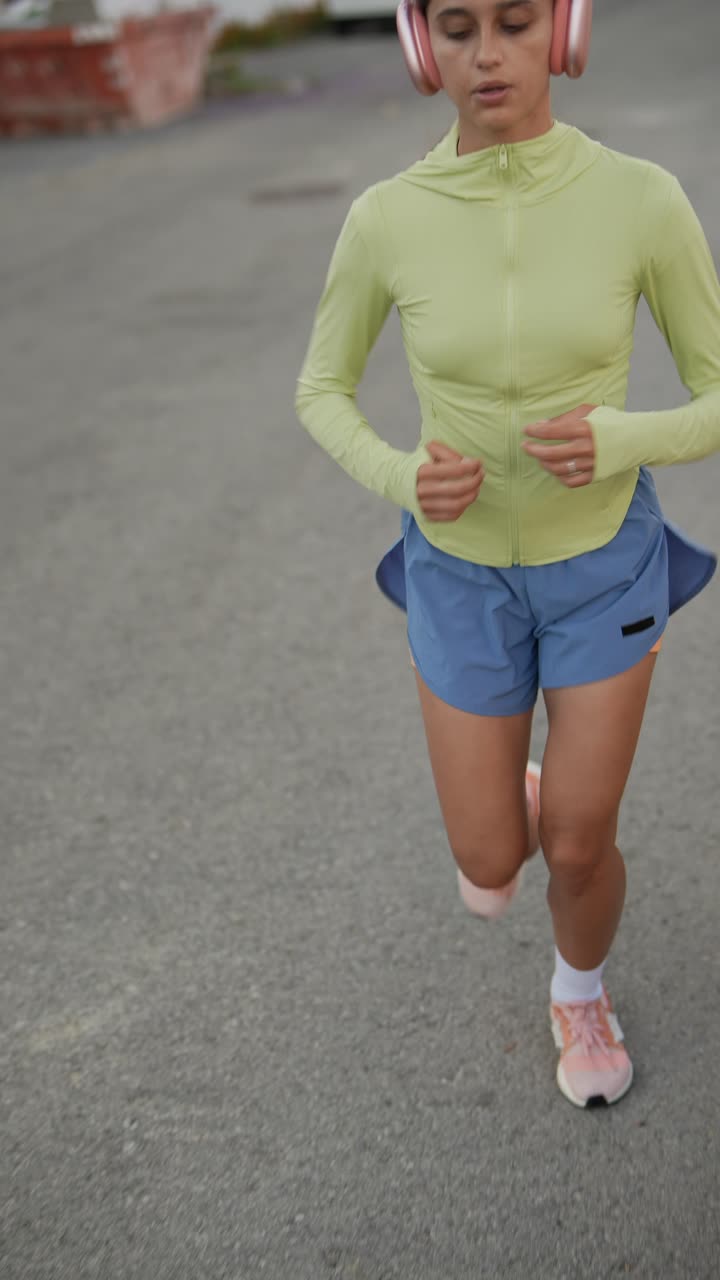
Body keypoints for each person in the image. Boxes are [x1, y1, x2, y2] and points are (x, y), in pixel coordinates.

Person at [294, 0, 720, 1107]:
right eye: (459, 26)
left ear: (563, 36)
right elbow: (319, 389)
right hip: (459, 569)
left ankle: (579, 984)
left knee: (578, 846)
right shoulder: (387, 217)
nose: (488, 54)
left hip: (603, 567)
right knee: (491, 869)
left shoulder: (641, 200)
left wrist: (622, 438)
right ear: (419, 42)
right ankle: (513, 794)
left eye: (517, 24)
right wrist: (400, 472)